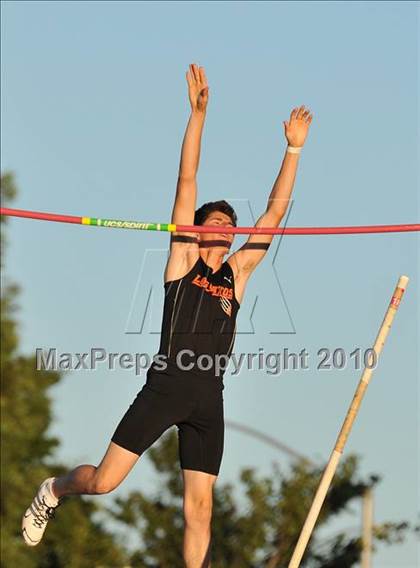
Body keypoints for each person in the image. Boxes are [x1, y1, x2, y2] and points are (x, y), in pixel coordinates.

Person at [22, 63, 312, 567]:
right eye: (214, 223)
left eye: (228, 224)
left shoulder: (237, 275)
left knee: (200, 510)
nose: (223, 228)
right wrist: (196, 116)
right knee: (105, 482)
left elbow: (274, 215)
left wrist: (293, 150)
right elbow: (187, 179)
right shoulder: (182, 261)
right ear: (199, 232)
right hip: (165, 386)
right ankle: (55, 490)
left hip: (208, 399)